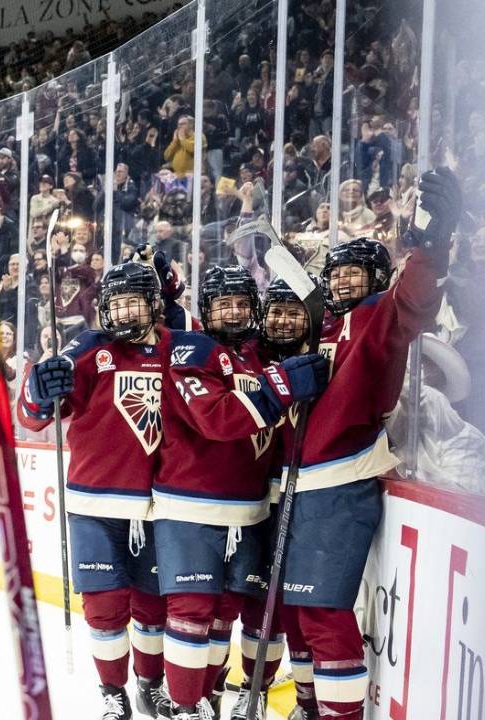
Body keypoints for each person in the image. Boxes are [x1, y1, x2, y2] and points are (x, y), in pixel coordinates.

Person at [280, 170, 462, 720]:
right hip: (295, 486)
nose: (341, 283)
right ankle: (310, 706)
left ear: (377, 278)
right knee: (298, 613)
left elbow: (414, 302)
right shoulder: (319, 325)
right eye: (335, 274)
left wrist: (431, 248)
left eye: (353, 273)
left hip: (338, 483)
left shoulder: (374, 316)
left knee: (322, 611)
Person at [155, 266, 328, 720]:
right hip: (190, 504)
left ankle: (219, 694)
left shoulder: (256, 355)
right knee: (191, 610)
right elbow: (217, 418)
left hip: (252, 510)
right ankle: (186, 705)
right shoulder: (193, 348)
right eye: (223, 304)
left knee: (231, 610)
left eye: (241, 304)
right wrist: (283, 385)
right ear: (206, 310)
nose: (233, 312)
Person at [16, 262, 174, 720]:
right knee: (104, 606)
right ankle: (113, 692)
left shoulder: (178, 347)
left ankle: (150, 684)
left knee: (152, 606)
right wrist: (38, 391)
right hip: (94, 501)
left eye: (134, 302)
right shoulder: (88, 348)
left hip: (159, 502)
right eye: (116, 304)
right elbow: (32, 417)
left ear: (154, 305)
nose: (123, 313)